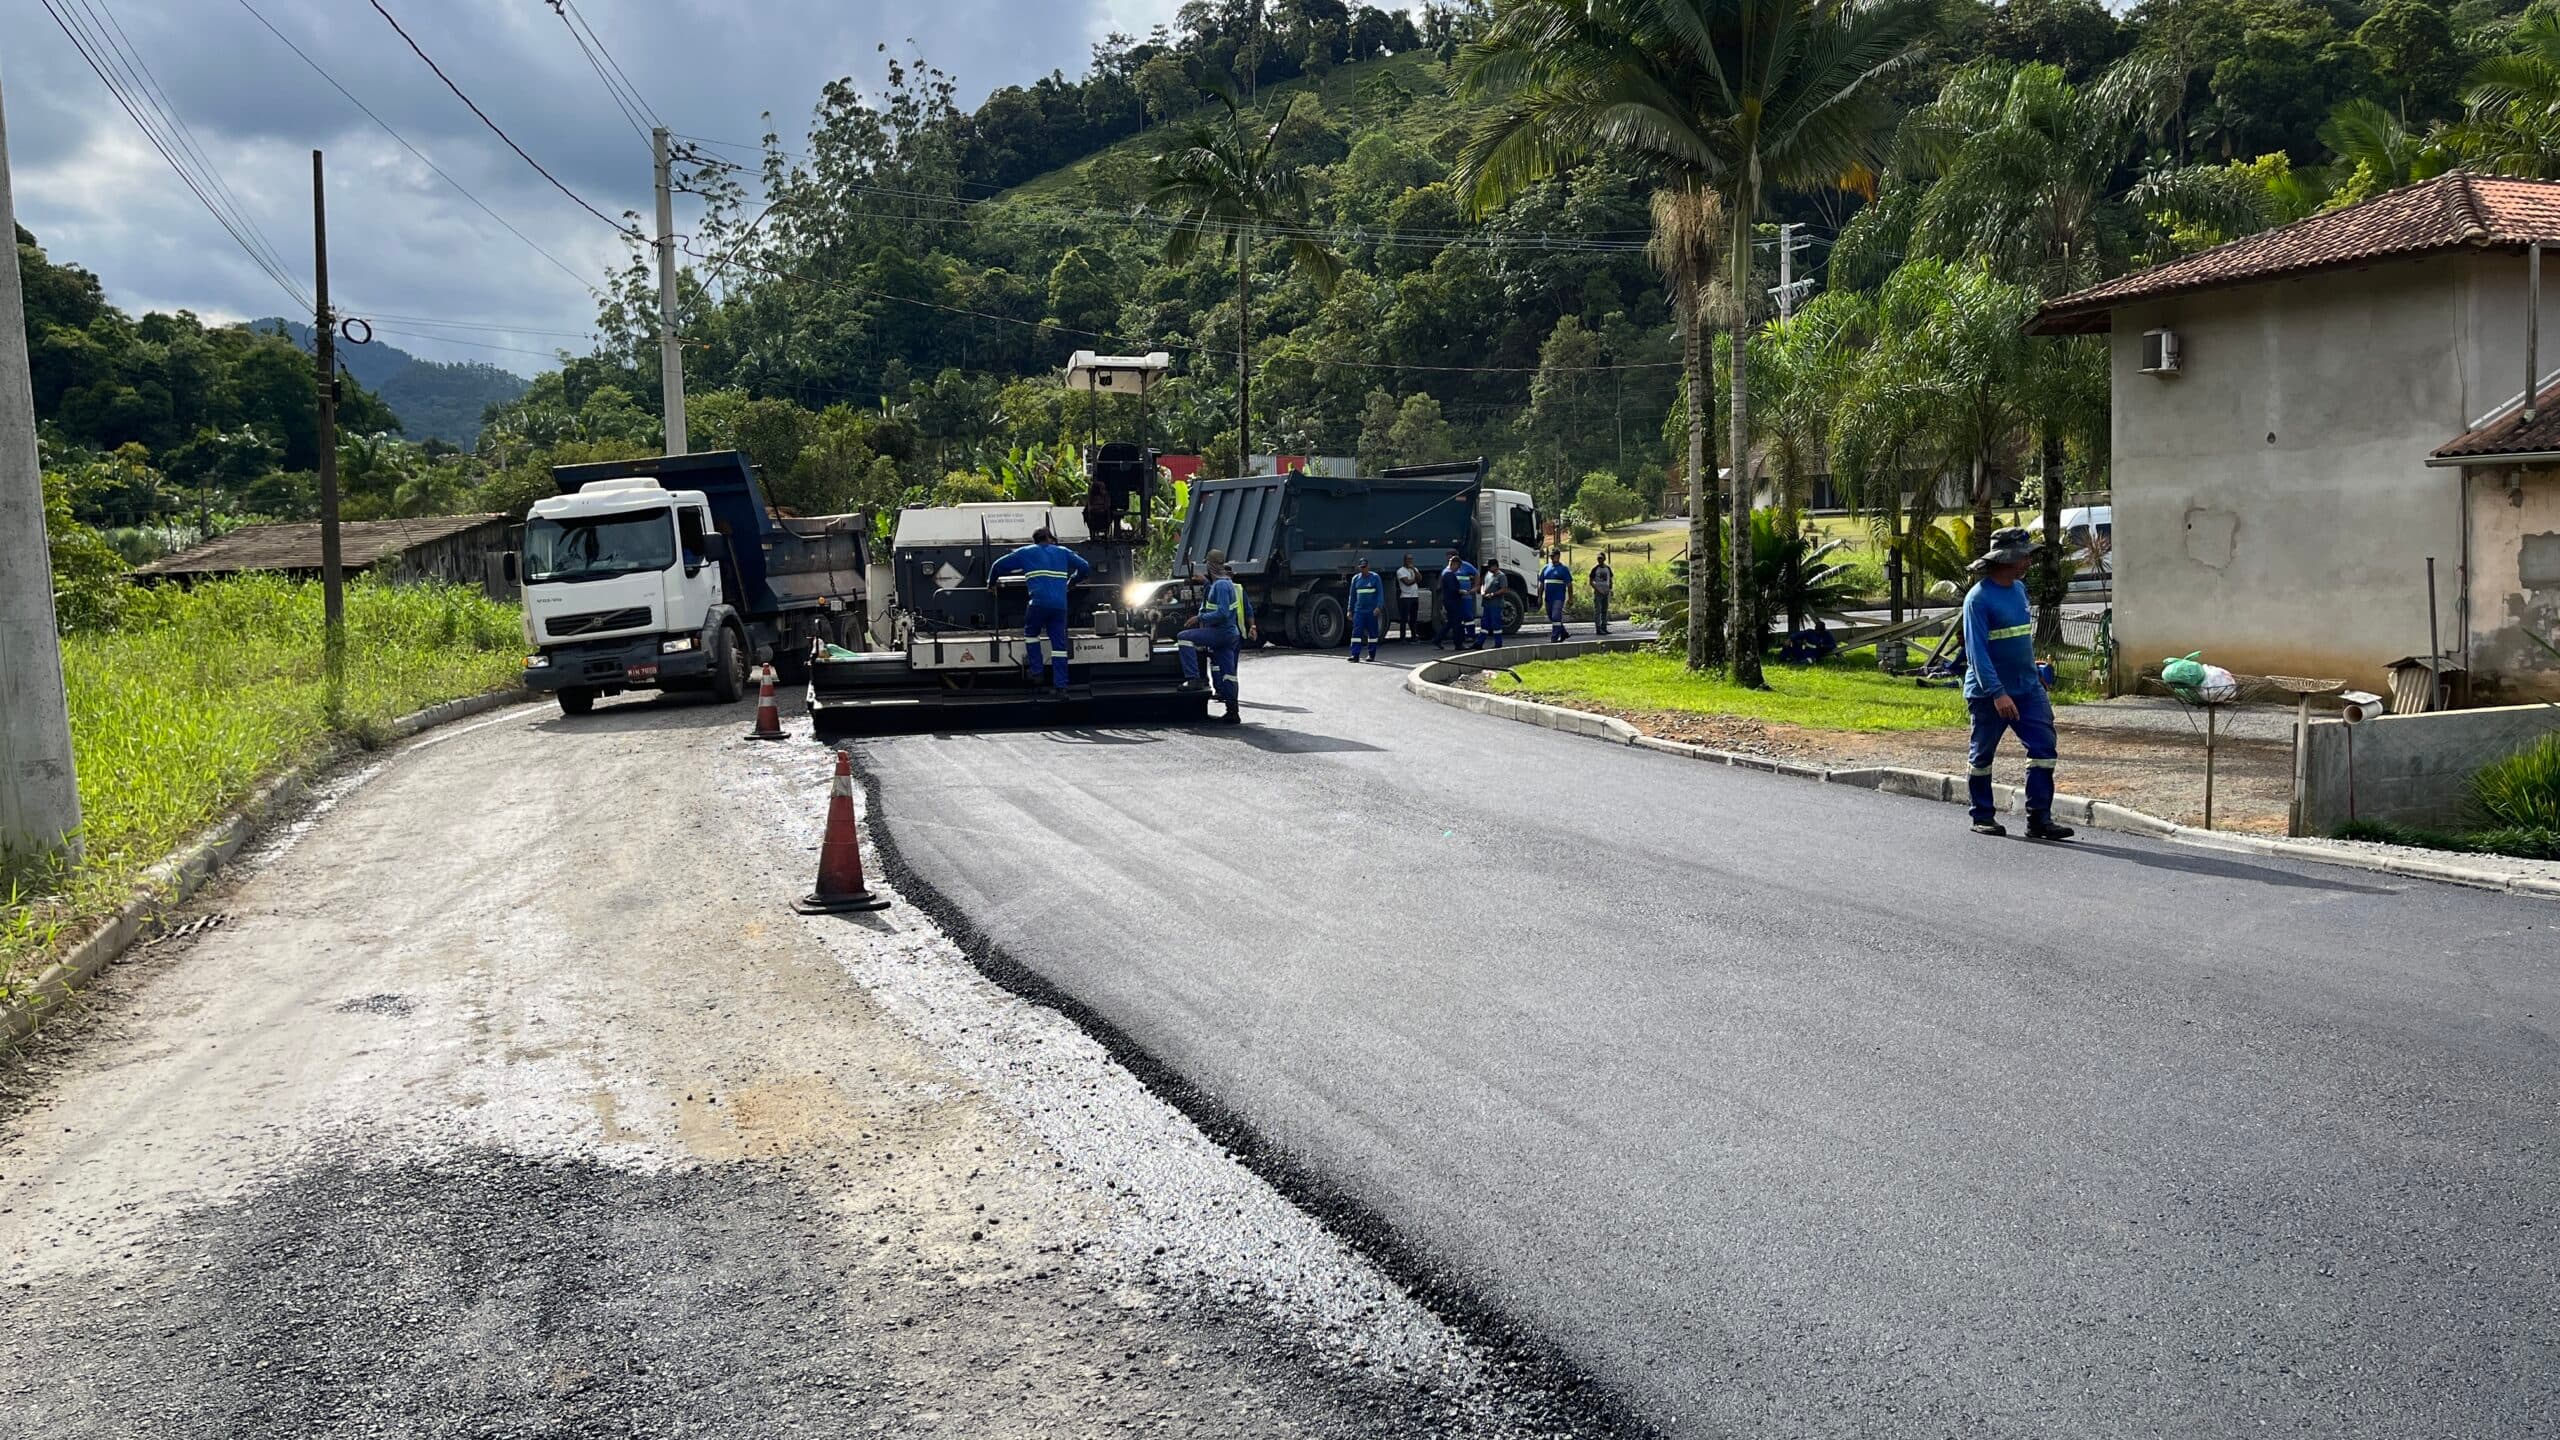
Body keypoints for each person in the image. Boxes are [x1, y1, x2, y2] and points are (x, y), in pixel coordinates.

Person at [1961, 527, 2072, 840]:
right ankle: (1982, 815)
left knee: (2044, 749)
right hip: (1990, 695)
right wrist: (1997, 693)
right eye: (2023, 556)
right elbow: (1978, 655)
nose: (2028, 562)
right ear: (2005, 559)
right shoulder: (1978, 600)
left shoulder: (2019, 589)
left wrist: (2035, 671)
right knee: (1981, 756)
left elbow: (2019, 640)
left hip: (2028, 688)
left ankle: (2039, 819)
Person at [987, 525, 1091, 691]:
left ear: (1035, 540)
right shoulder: (1062, 552)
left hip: (1038, 605)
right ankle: (1061, 688)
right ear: (1049, 538)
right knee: (1059, 647)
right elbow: (1085, 566)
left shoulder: (1026, 552)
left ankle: (1037, 673)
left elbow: (997, 566)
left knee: (1031, 633)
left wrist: (991, 584)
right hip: (1060, 607)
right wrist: (1072, 581)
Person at [1177, 551, 1247, 724]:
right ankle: (1232, 712)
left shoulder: (1221, 585)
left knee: (1184, 637)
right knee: (1229, 674)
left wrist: (1199, 618)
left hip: (1221, 632)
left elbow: (1222, 613)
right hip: (1229, 635)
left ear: (1211, 565)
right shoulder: (1224, 583)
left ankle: (1193, 679)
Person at [1347, 557, 1386, 662]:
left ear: (1368, 566)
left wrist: (1379, 607)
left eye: (1364, 567)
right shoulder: (1356, 579)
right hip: (1359, 610)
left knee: (1372, 633)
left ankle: (1371, 654)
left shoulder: (1375, 577)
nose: (1363, 569)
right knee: (1356, 633)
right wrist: (1349, 610)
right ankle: (1355, 655)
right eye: (1361, 567)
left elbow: (1380, 594)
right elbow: (1352, 596)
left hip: (1371, 611)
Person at [1436, 550, 1476, 650]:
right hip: (1453, 602)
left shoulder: (1447, 572)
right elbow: (1452, 589)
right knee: (1458, 623)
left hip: (1450, 601)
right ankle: (1459, 644)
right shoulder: (1449, 574)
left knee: (1450, 623)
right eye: (1458, 566)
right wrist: (1461, 591)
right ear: (1454, 564)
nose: (1458, 569)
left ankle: (1437, 639)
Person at [1539, 551, 1572, 643]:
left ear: (1558, 556)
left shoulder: (1563, 569)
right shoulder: (1546, 568)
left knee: (1556, 616)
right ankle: (1564, 633)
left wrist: (1570, 598)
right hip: (1548, 597)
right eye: (1551, 556)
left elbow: (1569, 585)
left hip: (1558, 597)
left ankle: (1554, 638)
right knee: (1552, 617)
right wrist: (1539, 596)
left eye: (1553, 556)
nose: (1552, 558)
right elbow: (1541, 583)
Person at [1476, 565, 1508, 648]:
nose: (1488, 569)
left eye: (1490, 567)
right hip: (1487, 604)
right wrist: (1483, 592)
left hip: (1496, 604)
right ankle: (1479, 643)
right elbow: (1483, 584)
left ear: (1495, 567)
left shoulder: (1501, 576)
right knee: (1484, 625)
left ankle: (1498, 643)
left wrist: (1493, 594)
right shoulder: (1488, 575)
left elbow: (1504, 589)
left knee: (1496, 624)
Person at [1394, 554, 1423, 642]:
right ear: (1404, 560)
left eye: (1411, 559)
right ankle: (1402, 637)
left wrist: (1414, 570)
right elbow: (1407, 582)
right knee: (1404, 618)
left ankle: (1414, 636)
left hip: (1414, 596)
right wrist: (1416, 579)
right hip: (1405, 597)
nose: (1410, 561)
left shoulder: (1414, 569)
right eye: (1408, 559)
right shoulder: (1400, 571)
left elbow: (1420, 578)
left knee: (1414, 618)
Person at [1589, 553, 1615, 637]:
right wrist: (1597, 589)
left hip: (1606, 592)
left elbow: (1610, 579)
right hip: (1598, 593)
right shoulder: (1595, 569)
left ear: (1604, 559)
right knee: (1598, 611)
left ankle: (1604, 627)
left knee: (1605, 610)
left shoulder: (1608, 569)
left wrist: (1610, 589)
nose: (1599, 560)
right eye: (1598, 559)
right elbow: (1591, 581)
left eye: (1601, 558)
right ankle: (1598, 628)